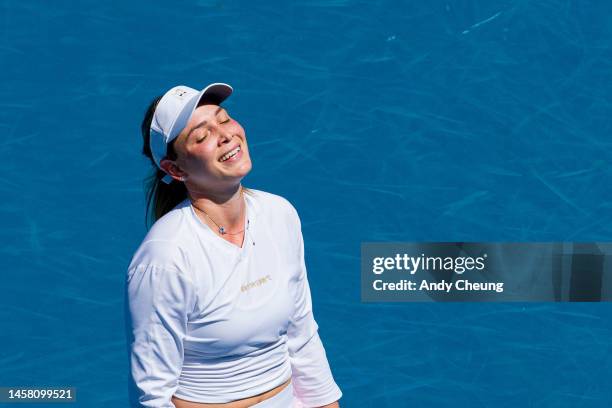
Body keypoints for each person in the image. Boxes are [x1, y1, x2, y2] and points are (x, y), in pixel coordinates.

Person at [125, 83, 343, 408]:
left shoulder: (279, 214)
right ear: (175, 169)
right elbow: (151, 396)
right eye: (201, 136)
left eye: (224, 119)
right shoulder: (166, 257)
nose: (225, 135)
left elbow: (301, 334)